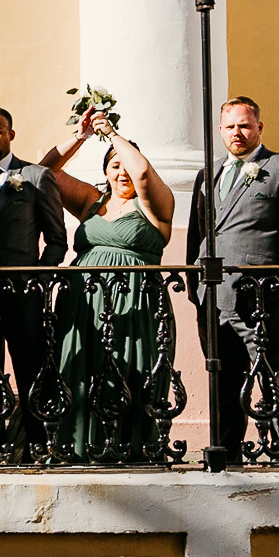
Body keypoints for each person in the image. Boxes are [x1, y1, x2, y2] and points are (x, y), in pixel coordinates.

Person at [186, 94, 279, 465]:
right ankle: (227, 455)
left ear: (259, 127)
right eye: (229, 126)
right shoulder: (206, 173)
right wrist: (194, 285)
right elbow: (197, 234)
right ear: (221, 131)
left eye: (244, 125)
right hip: (213, 296)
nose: (237, 133)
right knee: (223, 380)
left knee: (273, 376)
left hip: (261, 296)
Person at [44, 106, 175, 460]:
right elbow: (46, 174)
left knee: (134, 367)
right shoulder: (91, 200)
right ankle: (78, 445)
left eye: (125, 164)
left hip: (135, 301)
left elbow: (144, 172)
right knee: (80, 367)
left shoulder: (153, 206)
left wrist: (113, 133)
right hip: (83, 301)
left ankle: (132, 446)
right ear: (105, 171)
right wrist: (83, 135)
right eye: (114, 165)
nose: (123, 172)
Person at [0, 106, 66, 455]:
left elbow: (57, 239)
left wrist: (38, 277)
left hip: (22, 293)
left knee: (28, 369)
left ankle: (37, 445)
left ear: (11, 134)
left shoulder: (35, 177)